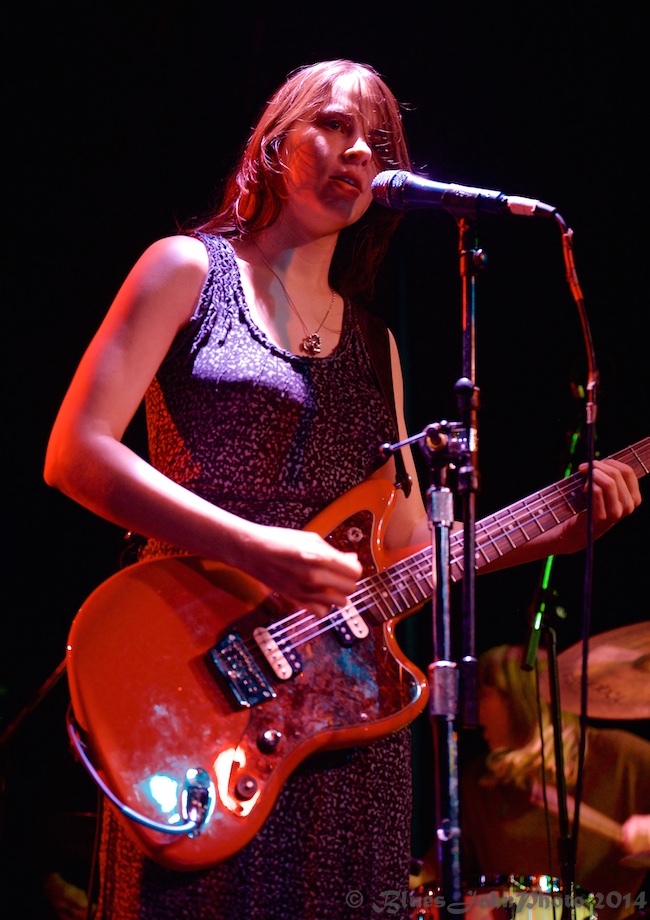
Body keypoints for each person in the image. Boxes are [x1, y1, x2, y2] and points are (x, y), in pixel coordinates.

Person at [43, 59, 642, 920]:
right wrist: (253, 545)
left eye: (381, 140)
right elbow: (75, 453)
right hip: (197, 672)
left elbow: (401, 556)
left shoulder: (377, 345)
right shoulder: (186, 270)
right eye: (332, 124)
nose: (359, 149)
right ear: (273, 145)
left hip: (342, 726)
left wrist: (555, 529)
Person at [457, 644, 650, 920]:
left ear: (520, 699)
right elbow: (437, 875)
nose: (471, 712)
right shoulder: (480, 783)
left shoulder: (622, 758)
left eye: (483, 696)